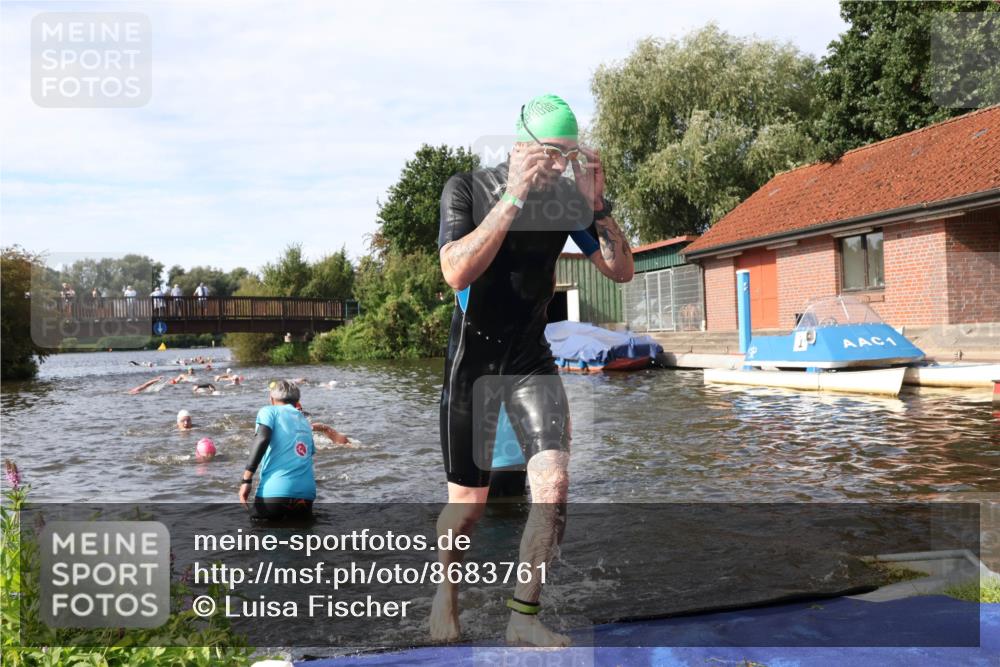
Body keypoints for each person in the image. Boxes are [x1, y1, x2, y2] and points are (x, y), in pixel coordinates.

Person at [431, 94, 634, 647]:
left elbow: (620, 271)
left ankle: (523, 615)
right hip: (473, 363)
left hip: (530, 359)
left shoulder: (569, 200)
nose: (560, 165)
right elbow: (455, 272)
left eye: (569, 155)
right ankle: (446, 591)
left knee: (553, 487)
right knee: (467, 509)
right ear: (522, 144)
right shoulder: (467, 188)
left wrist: (597, 207)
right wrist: (514, 197)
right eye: (551, 152)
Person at [240, 380, 317, 520]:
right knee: (300, 533)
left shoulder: (269, 411)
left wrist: (246, 480)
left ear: (271, 398)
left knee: (257, 531)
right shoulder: (305, 420)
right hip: (306, 495)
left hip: (275, 491)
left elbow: (262, 439)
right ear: (297, 401)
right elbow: (309, 453)